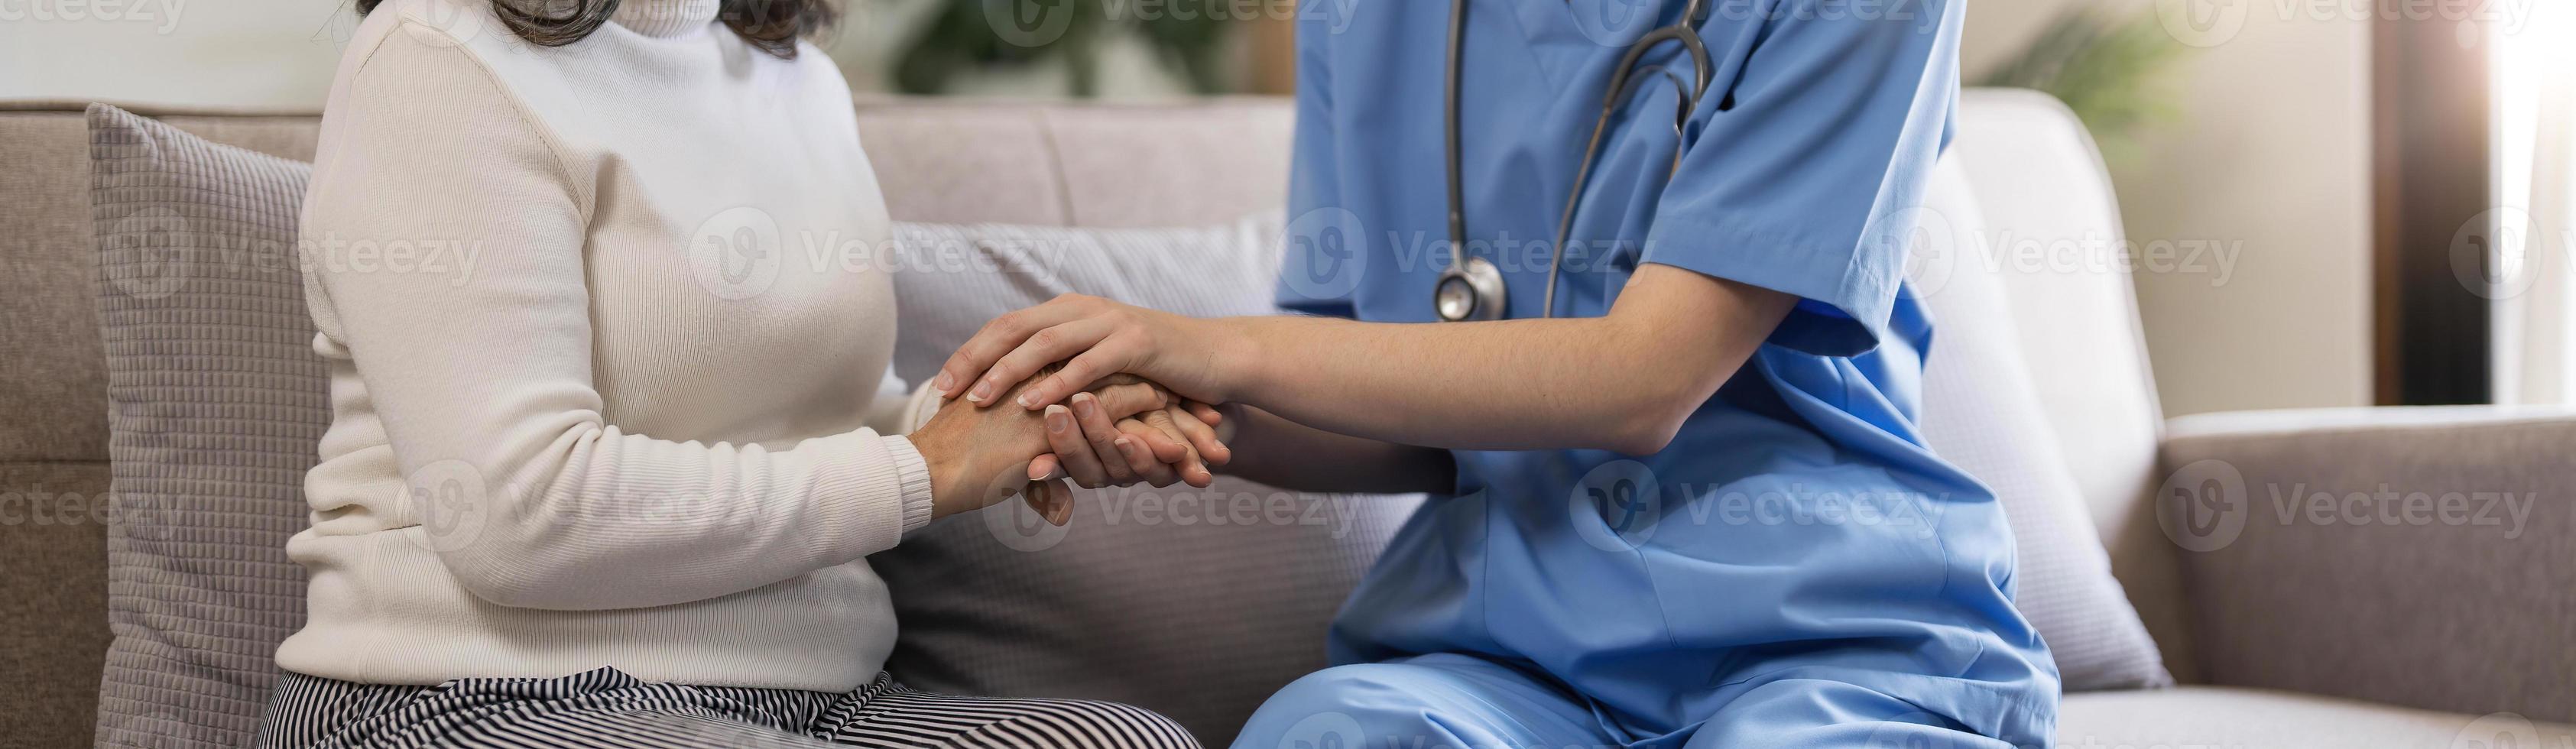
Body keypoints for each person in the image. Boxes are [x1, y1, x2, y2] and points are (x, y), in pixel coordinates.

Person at [926, 0, 2060, 746]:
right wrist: (1180, 412)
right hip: (1514, 655)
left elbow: (1640, 382)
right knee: (1326, 734)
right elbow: (1400, 417)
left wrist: (1219, 343)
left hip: (1824, 632)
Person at [256, 0, 1216, 746]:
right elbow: (516, 516)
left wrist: (1019, 416)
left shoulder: (791, 74)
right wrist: (930, 468)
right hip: (460, 694)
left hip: (815, 697)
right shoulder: (438, 56)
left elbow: (829, 417)